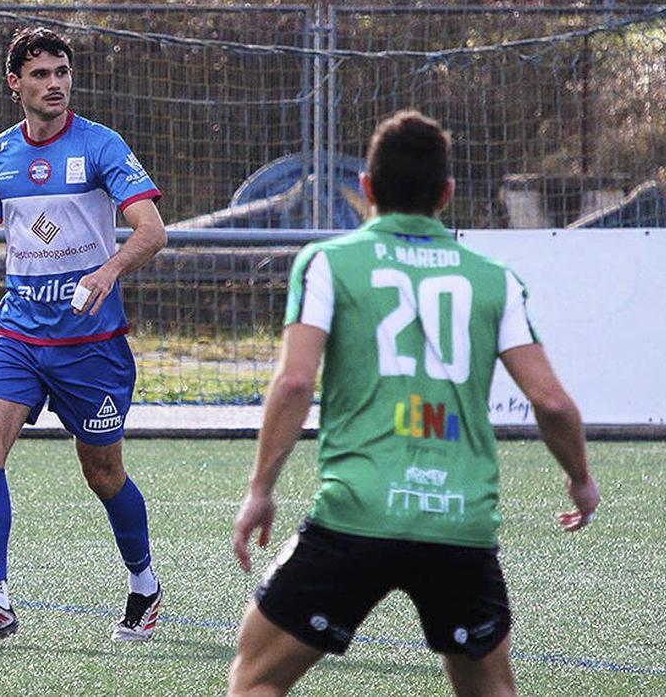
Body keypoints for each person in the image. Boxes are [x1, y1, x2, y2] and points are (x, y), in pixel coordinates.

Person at [226, 110, 601, 696]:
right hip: (458, 521)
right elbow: (551, 402)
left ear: (367, 188)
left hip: (356, 514)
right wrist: (580, 479)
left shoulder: (328, 263)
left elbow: (295, 382)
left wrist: (260, 491)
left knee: (256, 681)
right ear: (446, 194)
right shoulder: (493, 279)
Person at [0, 27, 168, 643]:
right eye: (40, 74)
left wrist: (108, 271)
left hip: (92, 345)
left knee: (103, 473)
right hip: (19, 337)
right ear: (15, 84)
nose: (54, 84)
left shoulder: (101, 145)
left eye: (61, 72)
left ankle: (143, 584)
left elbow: (152, 230)